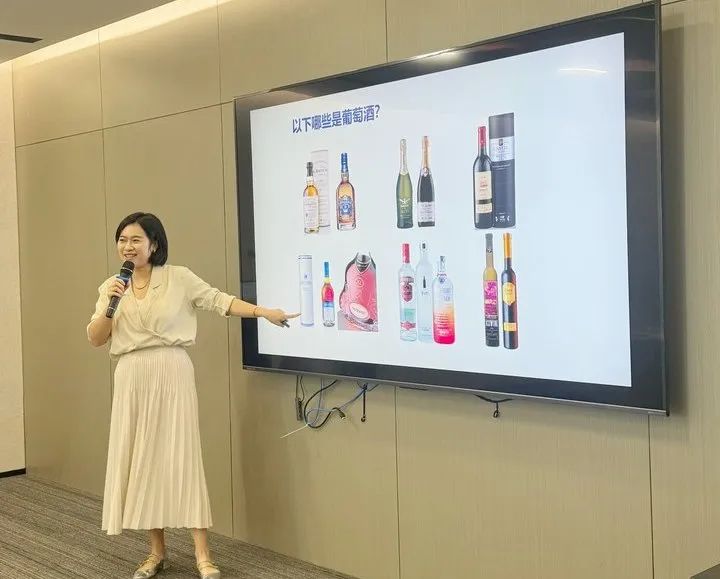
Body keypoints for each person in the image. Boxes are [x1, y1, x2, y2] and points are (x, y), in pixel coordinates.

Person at [87, 212, 297, 579]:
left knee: (181, 456)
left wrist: (262, 312)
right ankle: (156, 552)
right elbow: (95, 337)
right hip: (131, 375)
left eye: (135, 240)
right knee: (142, 459)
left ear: (154, 244)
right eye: (122, 240)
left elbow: (219, 301)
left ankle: (203, 555)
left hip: (172, 370)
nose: (128, 246)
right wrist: (111, 304)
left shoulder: (178, 278)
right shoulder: (112, 286)